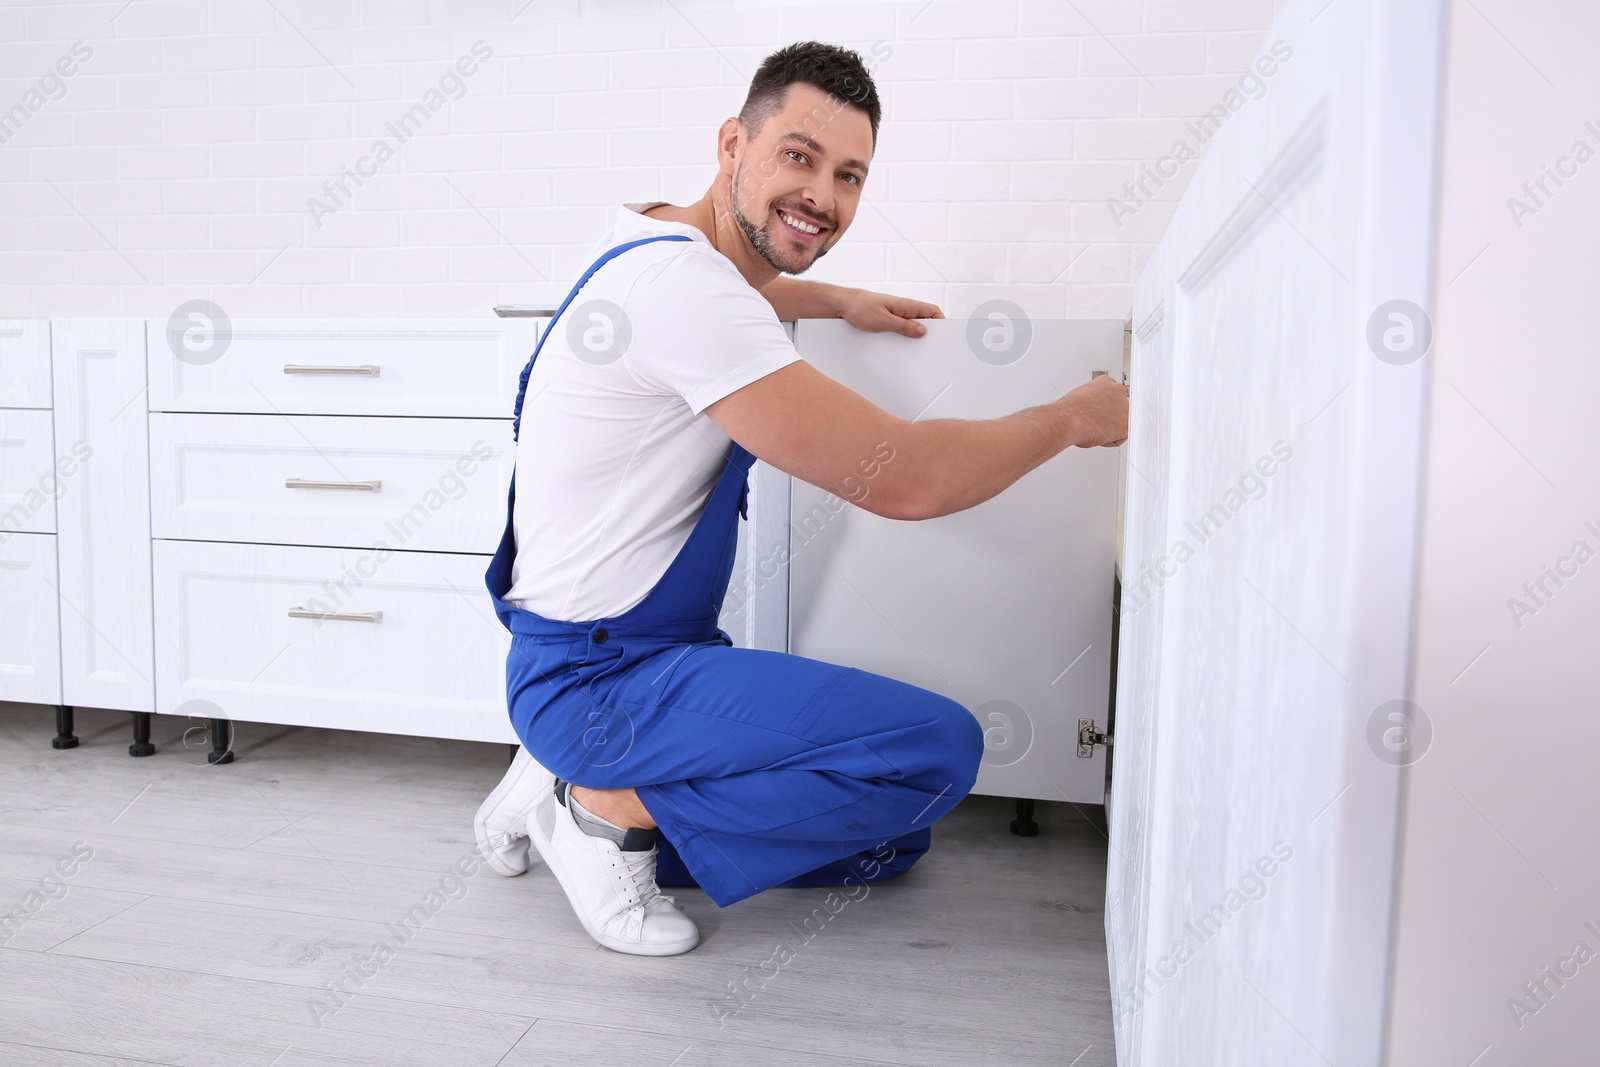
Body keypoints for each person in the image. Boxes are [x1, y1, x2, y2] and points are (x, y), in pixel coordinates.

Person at [475, 41, 1129, 956]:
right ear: (732, 143)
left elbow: (741, 279)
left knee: (890, 842)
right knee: (936, 753)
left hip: (616, 656)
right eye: (799, 156)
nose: (823, 195)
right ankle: (602, 803)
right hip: (600, 676)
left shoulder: (652, 239)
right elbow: (909, 478)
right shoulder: (686, 295)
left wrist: (836, 298)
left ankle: (560, 778)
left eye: (849, 175)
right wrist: (1071, 415)